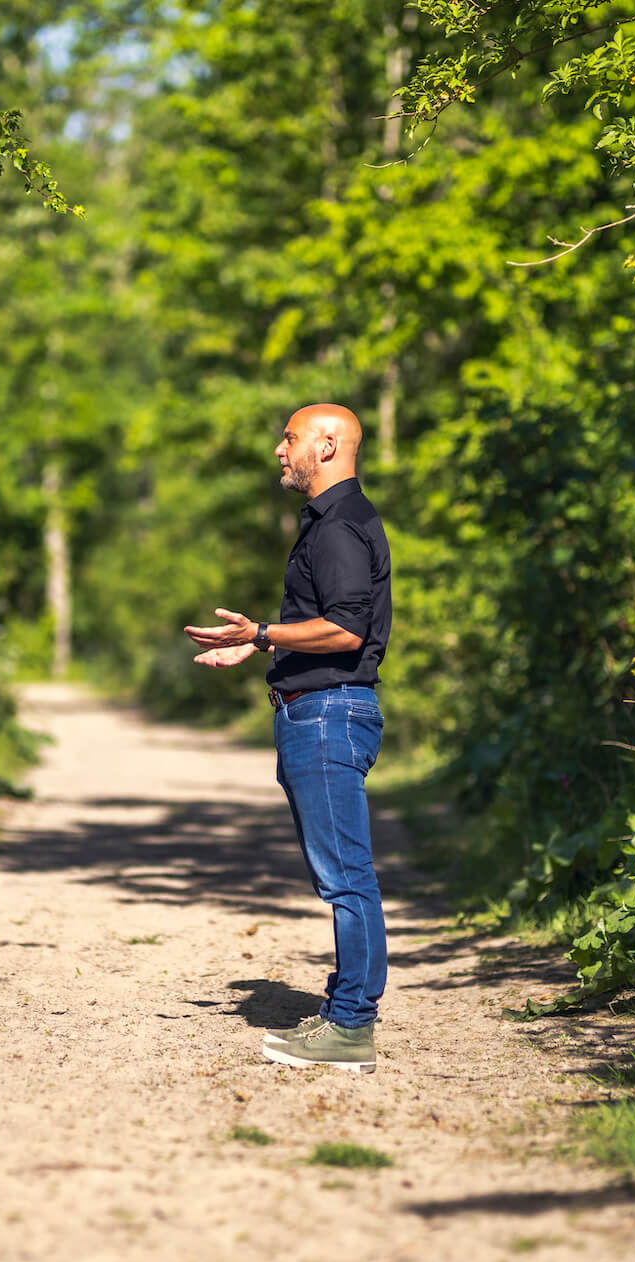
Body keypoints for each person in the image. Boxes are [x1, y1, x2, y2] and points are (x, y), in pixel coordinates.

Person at [185, 403, 393, 1073]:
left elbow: (347, 629)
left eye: (290, 437)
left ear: (327, 445)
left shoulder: (339, 526)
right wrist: (262, 646)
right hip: (318, 711)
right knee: (340, 876)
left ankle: (351, 1027)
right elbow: (328, 623)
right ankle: (343, 1010)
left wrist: (263, 633)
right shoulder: (334, 520)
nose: (280, 449)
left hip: (328, 716)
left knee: (345, 879)